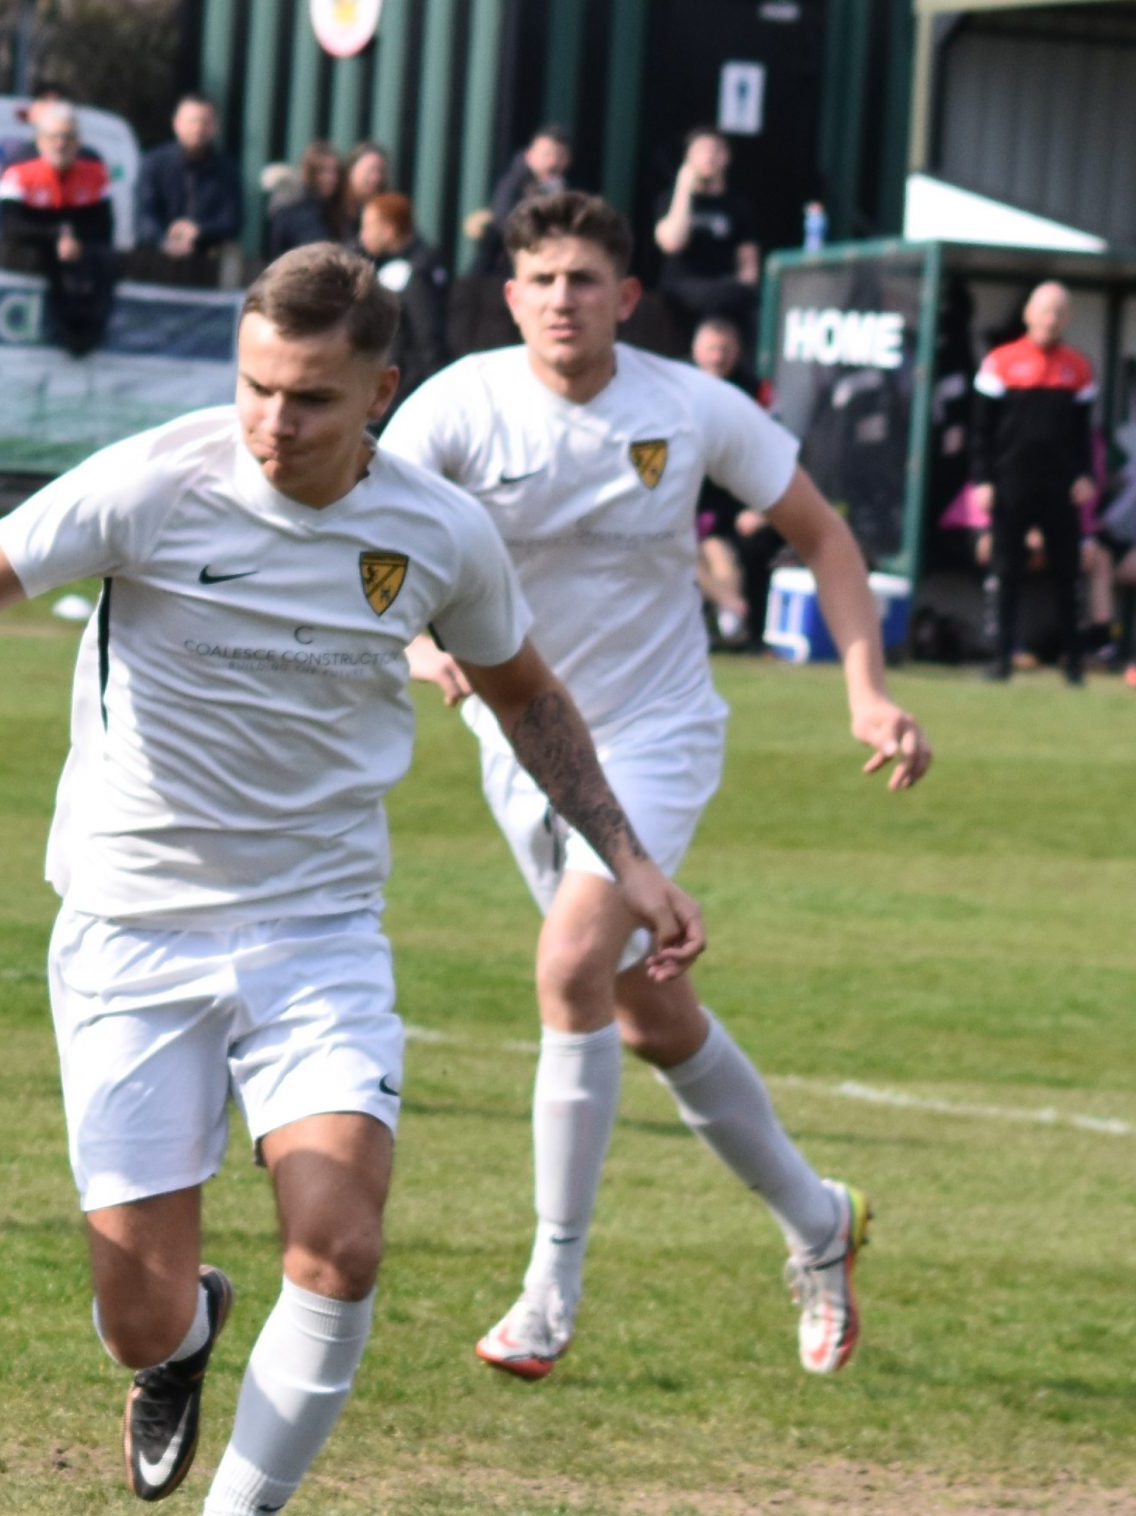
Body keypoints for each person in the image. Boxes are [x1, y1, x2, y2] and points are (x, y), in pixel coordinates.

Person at [0, 243, 701, 1516]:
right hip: (131, 931)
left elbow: (525, 694)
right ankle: (182, 1340)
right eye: (258, 386)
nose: (273, 421)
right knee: (136, 1311)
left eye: (311, 398)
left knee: (341, 1236)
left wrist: (625, 856)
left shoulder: (437, 532)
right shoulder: (154, 480)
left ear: (380, 391)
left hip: (317, 930)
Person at [381, 193, 931, 1383]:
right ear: (509, 295)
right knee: (642, 1011)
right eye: (540, 280)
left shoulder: (687, 407)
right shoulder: (457, 405)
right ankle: (818, 1219)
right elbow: (366, 545)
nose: (562, 300)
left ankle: (548, 1289)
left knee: (570, 963)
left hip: (653, 735)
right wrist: (418, 645)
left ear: (625, 296)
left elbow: (824, 537)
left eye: (584, 279)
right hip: (522, 745)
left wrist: (865, 692)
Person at [971, 282, 1097, 685]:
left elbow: (1083, 434)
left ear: (1067, 318)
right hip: (1011, 484)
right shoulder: (1000, 362)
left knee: (1068, 574)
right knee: (1007, 570)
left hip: (1060, 487)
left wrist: (1085, 475)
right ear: (1028, 313)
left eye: (1058, 312)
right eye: (1044, 310)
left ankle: (1073, 665)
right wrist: (982, 480)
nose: (1050, 319)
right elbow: (981, 429)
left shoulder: (1077, 367)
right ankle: (1000, 660)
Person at [0, 100, 118, 355]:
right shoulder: (18, 173)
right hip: (32, 256)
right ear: (40, 141)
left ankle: (89, 333)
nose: (60, 144)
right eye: (53, 137)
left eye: (68, 137)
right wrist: (56, 237)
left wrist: (73, 241)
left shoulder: (95, 173)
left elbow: (104, 227)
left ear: (78, 142)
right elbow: (9, 226)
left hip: (81, 257)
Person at [687, 315, 776, 647]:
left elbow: (771, 450)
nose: (718, 357)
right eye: (712, 349)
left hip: (726, 502)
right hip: (683, 497)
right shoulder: (676, 386)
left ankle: (731, 619)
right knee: (688, 551)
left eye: (724, 350)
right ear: (696, 350)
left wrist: (759, 508)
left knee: (719, 551)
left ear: (736, 352)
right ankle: (730, 608)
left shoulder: (753, 391)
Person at [652, 127, 759, 330]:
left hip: (726, 291)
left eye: (715, 150)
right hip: (683, 289)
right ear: (688, 158)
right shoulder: (669, 200)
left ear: (726, 157)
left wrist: (743, 288)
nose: (709, 157)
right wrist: (683, 188)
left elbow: (748, 265)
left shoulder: (738, 206)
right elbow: (672, 243)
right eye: (701, 150)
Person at [357, 192, 446, 407]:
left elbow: (427, 337)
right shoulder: (381, 261)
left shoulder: (416, 271)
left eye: (368, 227)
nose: (363, 235)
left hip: (405, 387)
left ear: (388, 231)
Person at [137, 92, 242, 261]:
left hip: (208, 259)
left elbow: (231, 220)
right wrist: (163, 241)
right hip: (157, 257)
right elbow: (144, 214)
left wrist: (199, 230)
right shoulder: (154, 163)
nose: (198, 128)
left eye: (205, 122)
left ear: (215, 127)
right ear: (177, 123)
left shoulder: (226, 168)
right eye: (192, 121)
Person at [474, 123, 570, 276]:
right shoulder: (514, 182)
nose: (552, 163)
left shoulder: (568, 187)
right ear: (530, 156)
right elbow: (503, 217)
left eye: (559, 156)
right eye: (546, 155)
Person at [263, 142, 340, 259]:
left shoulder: (329, 205)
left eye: (335, 171)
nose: (331, 178)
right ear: (310, 171)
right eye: (323, 170)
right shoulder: (296, 206)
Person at [334, 141, 390, 246]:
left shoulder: (384, 208)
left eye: (380, 171)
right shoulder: (330, 202)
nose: (376, 178)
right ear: (352, 170)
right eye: (370, 170)